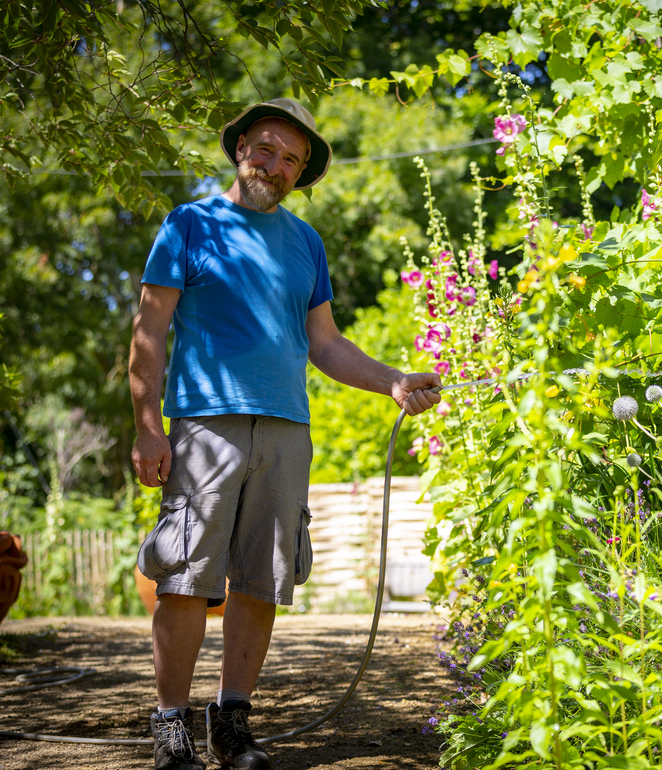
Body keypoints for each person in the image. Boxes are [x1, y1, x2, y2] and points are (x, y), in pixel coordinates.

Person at [129, 98, 442, 770]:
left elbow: (324, 344)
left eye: (293, 160)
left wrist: (391, 380)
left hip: (288, 430)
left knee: (263, 580)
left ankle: (232, 722)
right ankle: (169, 730)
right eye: (268, 149)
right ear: (242, 146)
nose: (277, 165)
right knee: (184, 576)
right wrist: (148, 429)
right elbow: (149, 333)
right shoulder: (189, 224)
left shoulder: (306, 243)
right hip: (205, 423)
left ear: (301, 174)